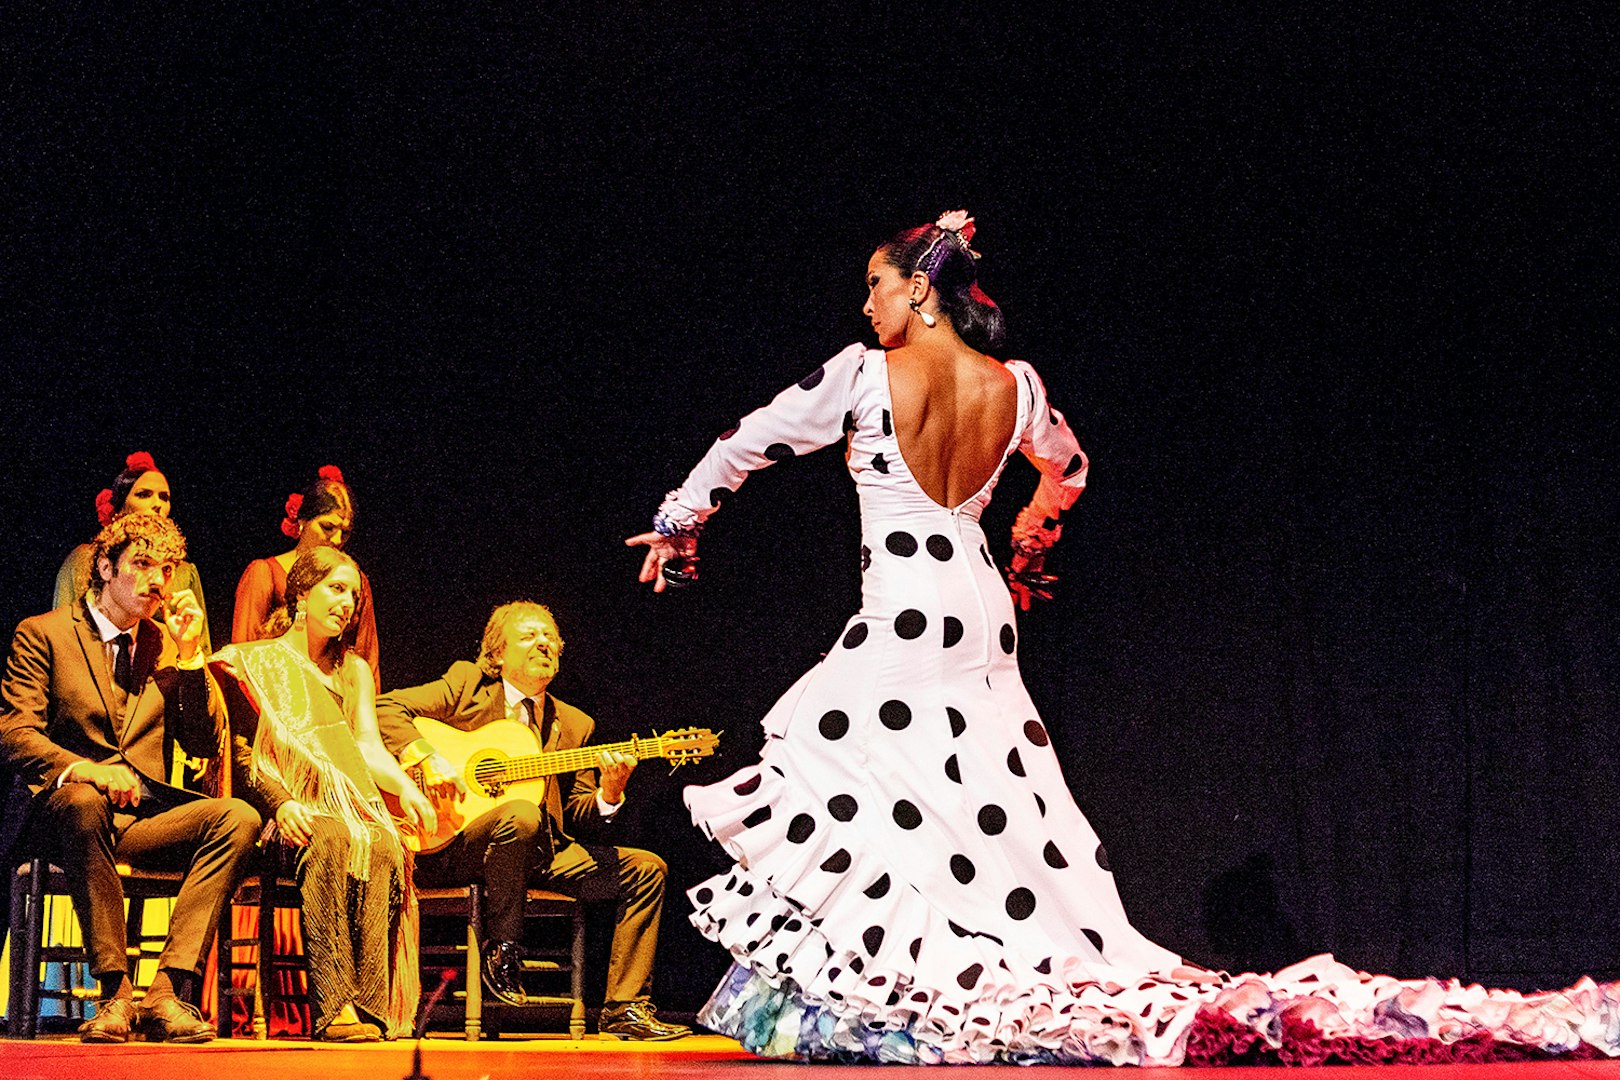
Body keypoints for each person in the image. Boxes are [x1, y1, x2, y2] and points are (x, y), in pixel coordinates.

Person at [627, 212, 1620, 1065]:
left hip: (906, 608)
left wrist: (679, 523)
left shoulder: (860, 373)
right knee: (968, 800)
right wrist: (1029, 529)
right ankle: (888, 996)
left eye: (877, 286)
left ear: (921, 292)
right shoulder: (1015, 384)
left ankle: (896, 1000)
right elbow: (1065, 468)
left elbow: (747, 440)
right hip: (977, 605)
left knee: (833, 761)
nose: (866, 305)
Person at [374, 601, 691, 1040]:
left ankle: (624, 1007)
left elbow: (580, 812)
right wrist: (427, 759)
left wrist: (610, 792)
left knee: (645, 869)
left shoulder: (574, 724)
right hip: (456, 845)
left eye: (551, 639)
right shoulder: (466, 685)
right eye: (528, 636)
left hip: (540, 851)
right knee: (520, 813)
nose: (543, 643)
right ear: (498, 654)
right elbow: (385, 708)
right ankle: (504, 950)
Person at [0, 512, 260, 1044]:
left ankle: (164, 992)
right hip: (64, 816)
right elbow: (14, 733)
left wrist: (191, 661)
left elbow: (203, 746)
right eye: (142, 564)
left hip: (141, 818)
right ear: (104, 565)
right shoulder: (43, 634)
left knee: (238, 817)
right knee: (82, 803)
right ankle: (115, 993)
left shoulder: (166, 645)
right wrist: (87, 770)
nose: (157, 580)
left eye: (166, 569)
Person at [213, 547, 434, 1041]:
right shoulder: (255, 663)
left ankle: (373, 1004)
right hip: (277, 805)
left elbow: (367, 748)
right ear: (300, 593)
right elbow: (241, 753)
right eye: (336, 589)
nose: (347, 603)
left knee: (382, 842)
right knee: (331, 836)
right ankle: (334, 1007)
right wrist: (283, 802)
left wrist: (406, 790)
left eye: (354, 595)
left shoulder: (351, 671)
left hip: (344, 804)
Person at [232, 465, 379, 685]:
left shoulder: (355, 583)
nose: (338, 539)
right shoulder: (266, 573)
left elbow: (367, 657)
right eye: (328, 527)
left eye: (345, 532)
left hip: (339, 698)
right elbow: (243, 655)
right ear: (302, 521)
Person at [54, 451, 212, 656]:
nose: (158, 504)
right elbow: (62, 630)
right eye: (144, 494)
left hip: (162, 676)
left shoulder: (183, 571)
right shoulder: (85, 558)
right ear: (121, 505)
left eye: (164, 497)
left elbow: (202, 646)